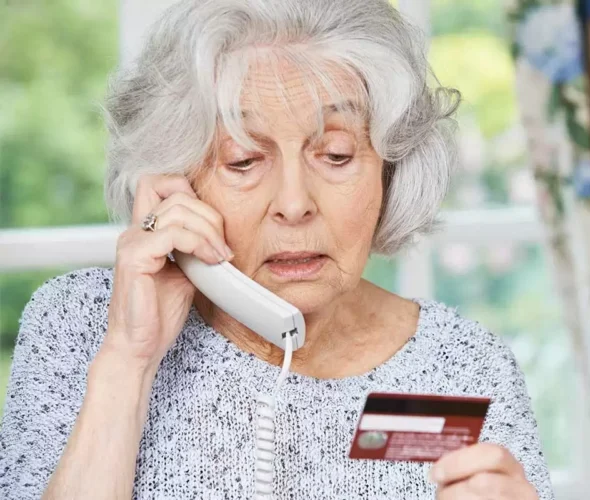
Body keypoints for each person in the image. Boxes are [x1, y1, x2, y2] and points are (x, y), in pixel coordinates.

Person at [0, 0, 553, 498]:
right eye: (242, 161)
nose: (294, 203)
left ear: (390, 171)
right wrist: (129, 360)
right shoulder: (81, 325)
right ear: (175, 181)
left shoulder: (466, 366)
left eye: (336, 155)